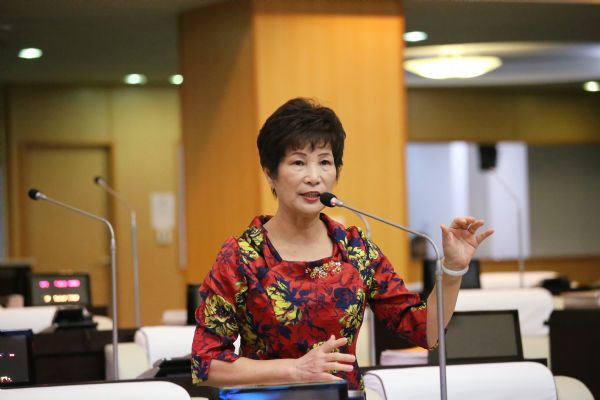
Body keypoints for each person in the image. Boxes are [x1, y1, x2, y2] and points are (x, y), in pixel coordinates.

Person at [191, 97, 494, 391]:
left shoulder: (356, 250)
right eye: (298, 162)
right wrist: (294, 370)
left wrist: (453, 269)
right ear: (270, 173)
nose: (314, 177)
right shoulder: (243, 255)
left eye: (325, 162)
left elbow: (424, 331)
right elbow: (206, 363)